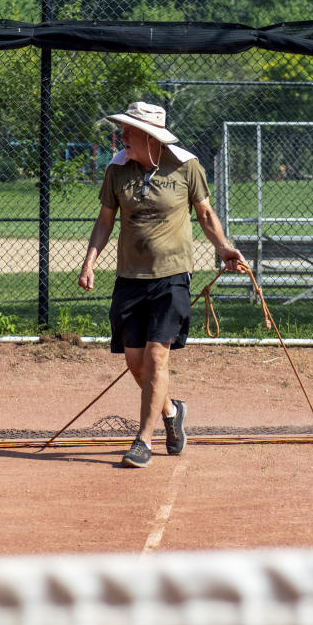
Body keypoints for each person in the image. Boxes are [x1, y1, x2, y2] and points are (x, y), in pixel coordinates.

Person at [78, 102, 245, 468]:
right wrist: (90, 261)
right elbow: (106, 220)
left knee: (156, 356)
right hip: (129, 279)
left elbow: (205, 214)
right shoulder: (117, 169)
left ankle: (143, 440)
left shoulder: (187, 166)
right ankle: (172, 410)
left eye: (129, 131)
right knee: (136, 363)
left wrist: (224, 249)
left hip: (172, 277)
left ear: (151, 137)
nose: (122, 136)